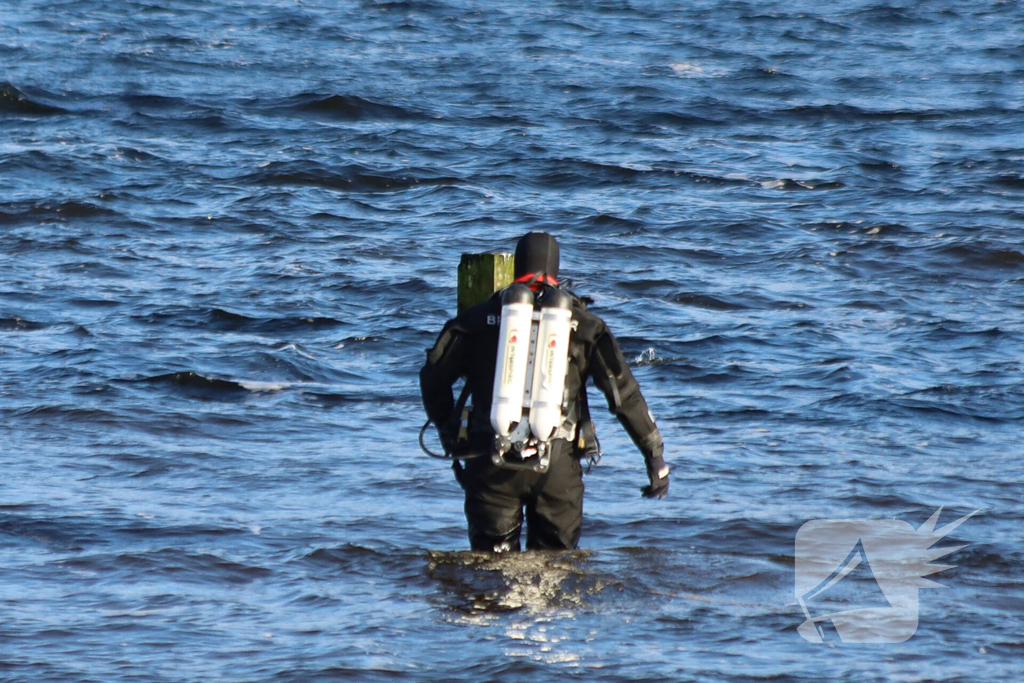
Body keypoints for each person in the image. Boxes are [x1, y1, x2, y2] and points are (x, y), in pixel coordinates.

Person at [419, 232, 669, 552]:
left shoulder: (475, 320)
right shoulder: (585, 326)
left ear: (515, 268)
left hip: (491, 459)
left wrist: (449, 432)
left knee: (489, 569)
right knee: (557, 571)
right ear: (557, 271)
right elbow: (623, 394)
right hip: (557, 466)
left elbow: (433, 378)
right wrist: (654, 456)